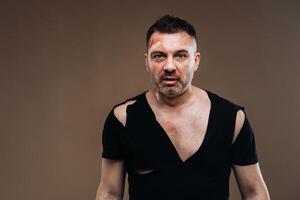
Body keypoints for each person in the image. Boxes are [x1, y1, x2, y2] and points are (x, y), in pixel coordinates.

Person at [96, 15, 270, 200]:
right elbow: (109, 194)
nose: (169, 66)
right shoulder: (122, 119)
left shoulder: (232, 118)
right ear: (147, 61)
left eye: (180, 55)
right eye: (159, 56)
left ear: (195, 61)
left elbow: (255, 193)